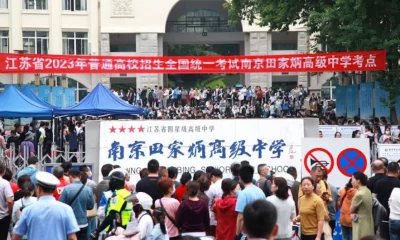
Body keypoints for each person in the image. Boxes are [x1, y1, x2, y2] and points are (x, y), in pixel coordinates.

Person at [12, 172, 79, 240]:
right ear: (55, 189)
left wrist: (19, 220)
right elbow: (72, 237)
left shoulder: (27, 211)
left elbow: (16, 236)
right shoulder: (66, 209)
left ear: (39, 189)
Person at [93, 171, 133, 238]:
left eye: (110, 180)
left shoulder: (118, 196)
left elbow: (112, 215)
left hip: (115, 230)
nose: (109, 183)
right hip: (125, 228)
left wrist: (97, 230)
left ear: (114, 181)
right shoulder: (127, 193)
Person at [59, 169, 95, 240]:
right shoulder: (88, 189)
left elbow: (61, 206)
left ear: (70, 177)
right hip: (83, 223)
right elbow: (91, 206)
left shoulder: (66, 189)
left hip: (70, 224)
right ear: (80, 177)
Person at [235, 165, 266, 240]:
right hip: (261, 232)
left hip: (248, 234)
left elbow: (240, 217)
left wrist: (236, 235)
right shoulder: (260, 191)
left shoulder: (243, 193)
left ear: (240, 178)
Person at [373, 162, 400, 239]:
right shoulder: (399, 183)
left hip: (383, 217)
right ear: (398, 171)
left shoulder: (379, 183)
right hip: (397, 216)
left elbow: (374, 198)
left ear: (387, 170)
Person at [350, 172, 374, 240]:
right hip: (369, 220)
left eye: (352, 179)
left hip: (360, 222)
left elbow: (351, 209)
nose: (351, 182)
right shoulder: (367, 190)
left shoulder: (359, 194)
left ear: (358, 181)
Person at [206, 169, 224, 235]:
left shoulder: (212, 187)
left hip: (215, 217)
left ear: (213, 177)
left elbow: (208, 203)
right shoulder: (228, 184)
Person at [322, 169, 339, 235]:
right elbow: (338, 204)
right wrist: (334, 211)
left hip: (322, 219)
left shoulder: (317, 187)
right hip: (332, 217)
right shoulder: (334, 188)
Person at [0, 163, 13, 240]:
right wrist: (10, 212)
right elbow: (10, 201)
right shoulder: (5, 183)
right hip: (2, 217)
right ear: (4, 171)